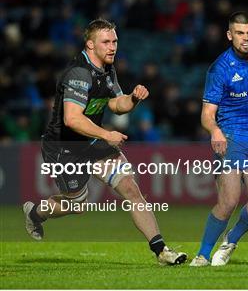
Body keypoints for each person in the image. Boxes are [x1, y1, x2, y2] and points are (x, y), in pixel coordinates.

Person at [22, 19, 187, 266]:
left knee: (132, 190)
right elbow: (72, 119)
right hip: (65, 148)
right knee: (77, 205)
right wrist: (106, 134)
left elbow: (116, 104)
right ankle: (34, 212)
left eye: (115, 42)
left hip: (92, 140)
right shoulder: (79, 74)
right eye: (106, 42)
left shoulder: (107, 69)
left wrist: (133, 98)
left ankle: (162, 251)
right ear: (90, 45)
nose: (112, 47)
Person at [190, 11, 248, 267]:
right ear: (230, 35)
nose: (246, 38)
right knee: (228, 201)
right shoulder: (219, 69)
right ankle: (203, 254)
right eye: (240, 33)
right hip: (230, 137)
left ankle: (231, 239)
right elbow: (207, 115)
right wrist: (215, 131)